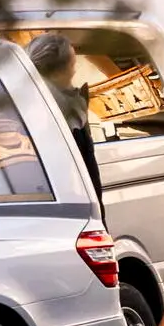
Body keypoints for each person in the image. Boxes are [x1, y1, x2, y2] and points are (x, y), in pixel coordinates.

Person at [28, 32, 104, 214]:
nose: (75, 69)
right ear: (62, 68)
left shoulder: (32, 96)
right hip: (69, 202)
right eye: (73, 63)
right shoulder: (57, 105)